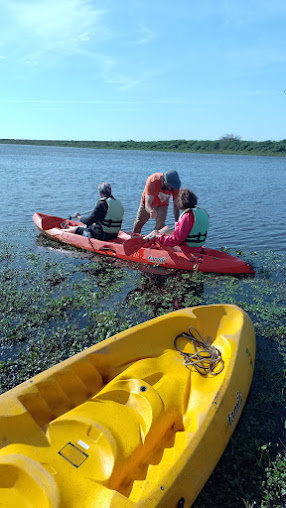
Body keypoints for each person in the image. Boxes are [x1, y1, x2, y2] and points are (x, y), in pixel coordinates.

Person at [147, 188, 209, 253]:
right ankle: (147, 240)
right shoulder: (203, 212)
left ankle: (144, 248)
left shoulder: (186, 216)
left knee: (156, 234)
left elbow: (176, 240)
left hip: (186, 250)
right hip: (197, 247)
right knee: (166, 228)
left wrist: (158, 238)